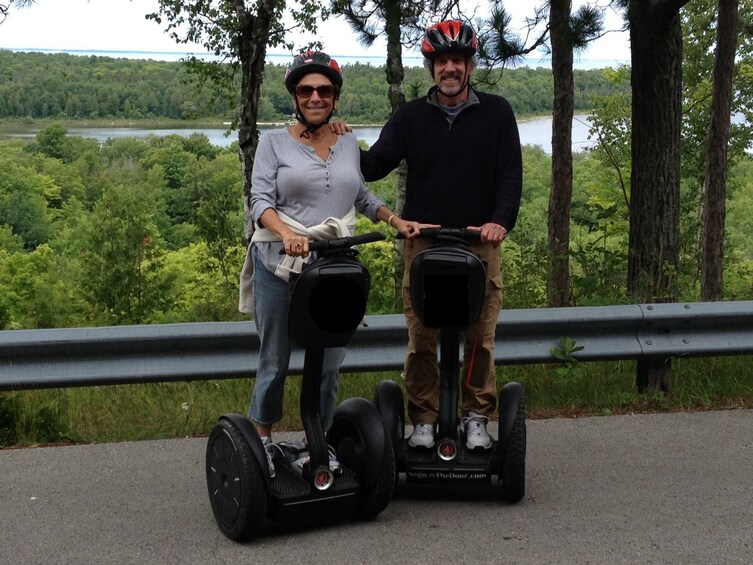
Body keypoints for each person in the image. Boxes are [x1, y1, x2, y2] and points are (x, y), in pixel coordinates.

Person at [239, 51, 423, 479]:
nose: (315, 96)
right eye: (306, 90)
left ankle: (316, 441)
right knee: (275, 357)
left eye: (324, 90)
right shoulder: (272, 143)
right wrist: (287, 234)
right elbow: (260, 202)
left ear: (335, 98)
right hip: (279, 262)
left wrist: (396, 221)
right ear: (296, 97)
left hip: (332, 267)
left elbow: (361, 196)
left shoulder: (345, 142)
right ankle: (262, 441)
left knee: (328, 360)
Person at [343, 20, 523, 451]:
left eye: (458, 61)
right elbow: (375, 165)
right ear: (431, 68)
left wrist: (501, 220)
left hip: (480, 241)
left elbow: (510, 175)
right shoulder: (410, 117)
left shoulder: (497, 112)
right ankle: (423, 419)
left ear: (469, 66)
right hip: (424, 242)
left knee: (479, 336)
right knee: (421, 337)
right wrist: (343, 141)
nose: (450, 69)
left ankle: (476, 416)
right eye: (442, 61)